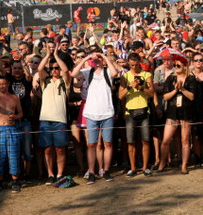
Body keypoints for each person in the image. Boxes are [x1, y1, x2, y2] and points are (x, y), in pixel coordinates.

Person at [71, 51, 119, 184]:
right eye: (95, 59)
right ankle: (91, 172)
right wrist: (86, 58)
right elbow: (74, 74)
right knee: (91, 144)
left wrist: (103, 57)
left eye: (99, 59)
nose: (96, 60)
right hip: (91, 114)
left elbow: (115, 73)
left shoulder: (107, 72)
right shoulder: (88, 72)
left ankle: (106, 171)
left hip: (107, 113)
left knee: (107, 144)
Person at [37, 45, 71, 185]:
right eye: (52, 68)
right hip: (45, 120)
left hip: (60, 120)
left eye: (56, 68)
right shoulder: (46, 81)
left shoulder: (64, 82)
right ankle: (50, 174)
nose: (54, 70)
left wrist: (56, 55)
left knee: (60, 149)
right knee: (47, 149)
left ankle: (60, 174)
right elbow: (39, 69)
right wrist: (48, 55)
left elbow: (66, 70)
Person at [156, 56, 196, 174]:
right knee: (165, 140)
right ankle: (162, 163)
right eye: (175, 66)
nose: (176, 68)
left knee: (185, 141)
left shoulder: (191, 79)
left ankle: (184, 166)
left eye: (178, 65)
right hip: (172, 112)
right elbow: (165, 96)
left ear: (185, 66)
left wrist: (182, 88)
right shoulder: (170, 78)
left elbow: (192, 96)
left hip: (186, 112)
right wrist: (175, 90)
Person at [119, 52, 154, 176]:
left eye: (136, 64)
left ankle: (145, 167)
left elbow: (151, 93)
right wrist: (129, 87)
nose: (134, 67)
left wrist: (141, 88)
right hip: (130, 112)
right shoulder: (125, 76)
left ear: (140, 62)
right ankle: (133, 168)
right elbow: (120, 95)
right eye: (132, 65)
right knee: (131, 142)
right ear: (128, 63)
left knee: (145, 140)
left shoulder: (147, 75)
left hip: (144, 110)